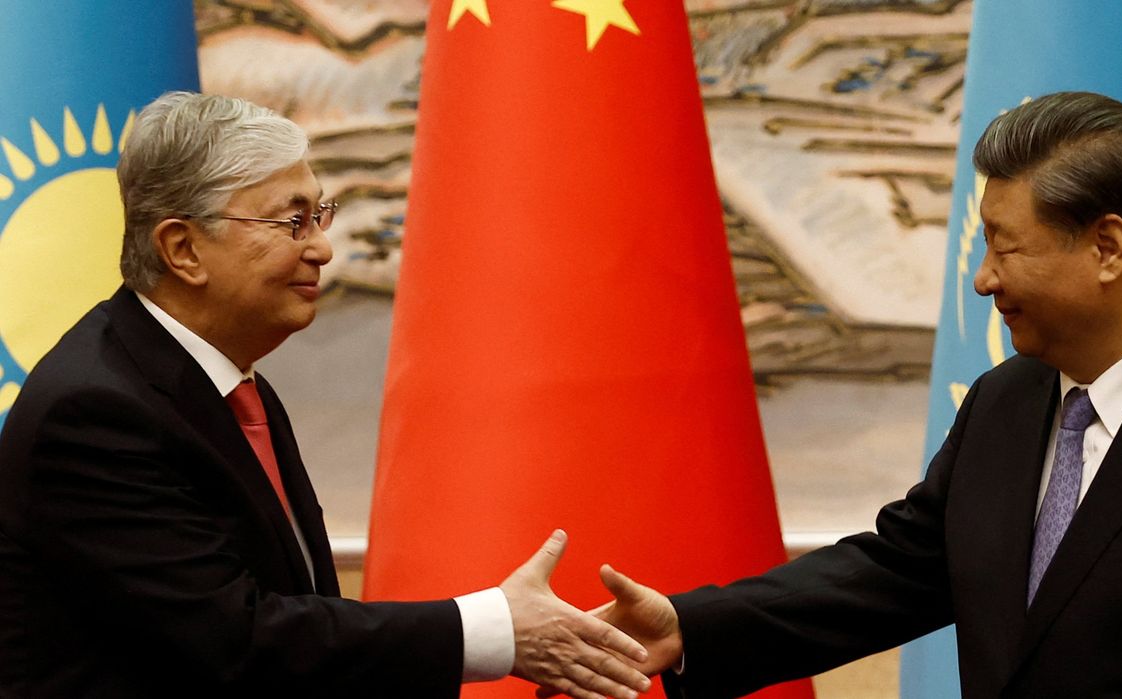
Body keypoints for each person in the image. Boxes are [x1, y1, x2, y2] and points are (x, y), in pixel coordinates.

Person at [590, 91, 1122, 697]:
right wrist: (687, 626)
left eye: (1003, 248)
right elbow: (897, 571)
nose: (983, 280)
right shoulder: (1003, 401)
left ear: (1106, 247)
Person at [0, 91, 651, 699]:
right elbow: (235, 642)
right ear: (183, 248)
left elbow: (302, 605)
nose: (322, 248)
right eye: (292, 221)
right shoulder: (93, 412)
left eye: (320, 215)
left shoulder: (231, 382)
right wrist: (496, 631)